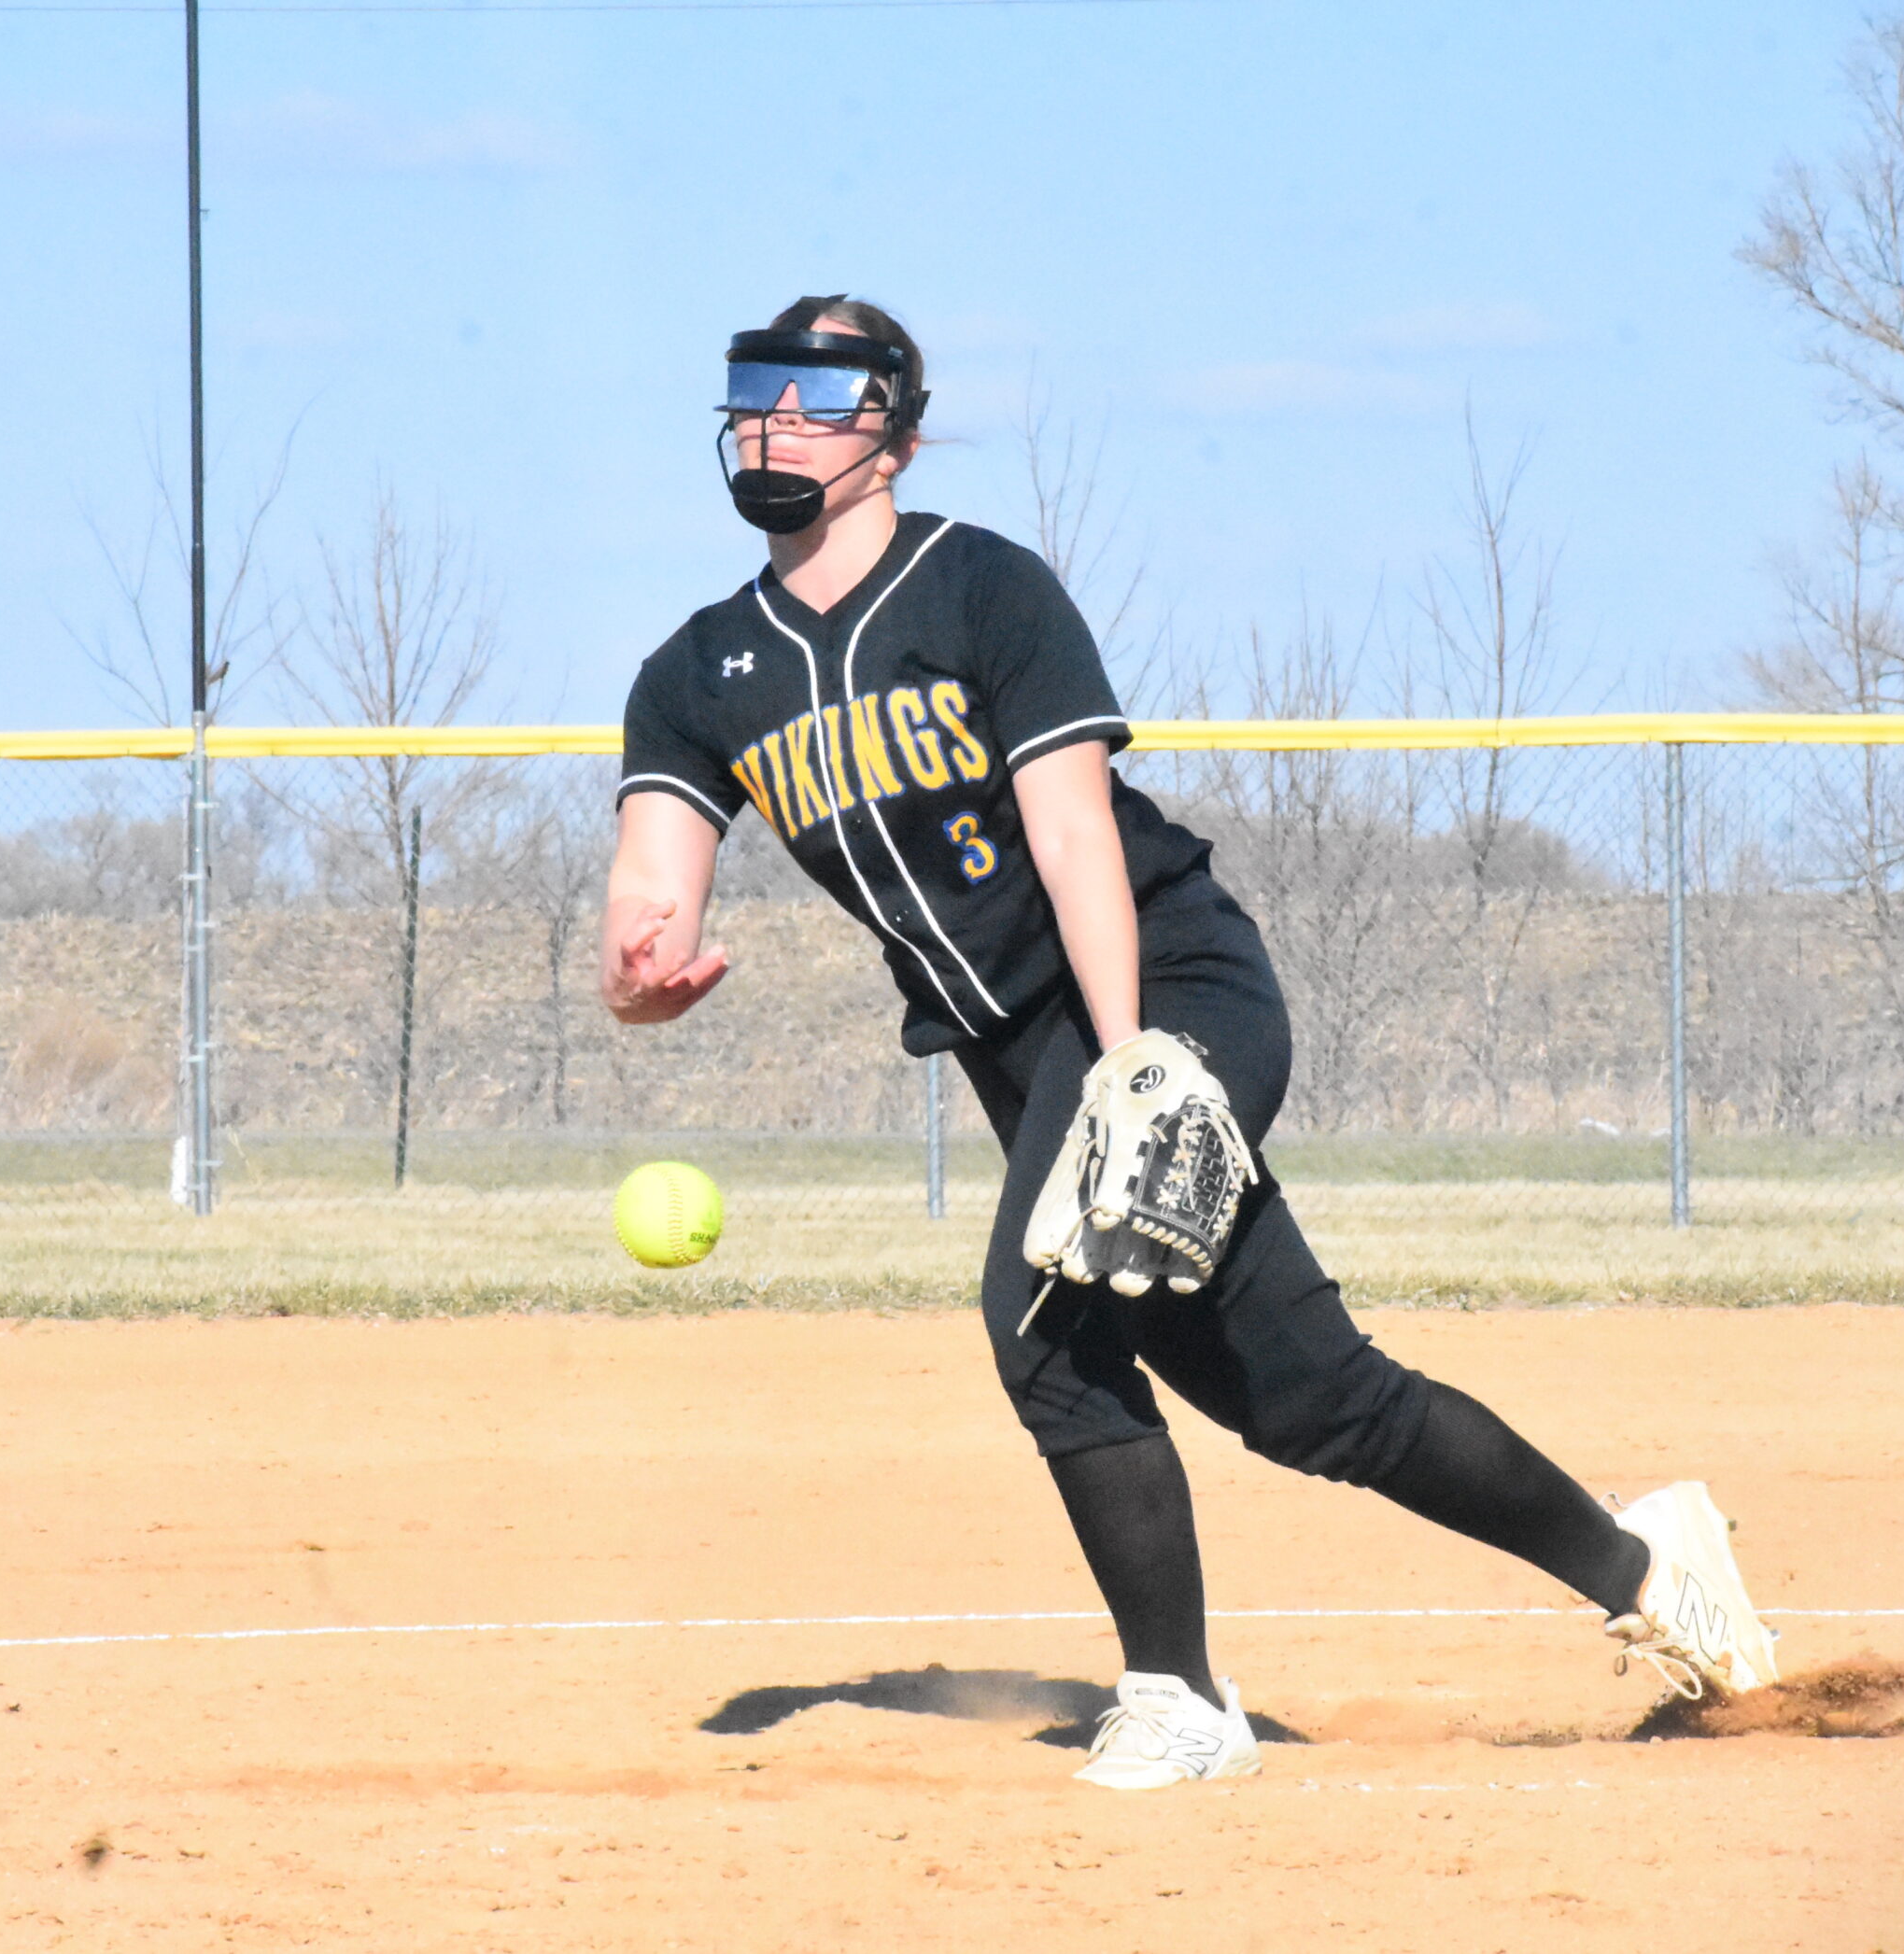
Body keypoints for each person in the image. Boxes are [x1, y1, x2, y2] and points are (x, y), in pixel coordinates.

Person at [599, 295, 1779, 1790]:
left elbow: (1075, 834)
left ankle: (1178, 1696)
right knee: (1318, 1398)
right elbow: (650, 889)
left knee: (1039, 1315)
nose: (777, 416)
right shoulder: (697, 673)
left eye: (820, 391)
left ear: (895, 436)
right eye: (759, 385)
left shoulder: (981, 588)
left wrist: (1132, 1066)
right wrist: (638, 976)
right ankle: (1650, 1567)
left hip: (1167, 987)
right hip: (1027, 1058)